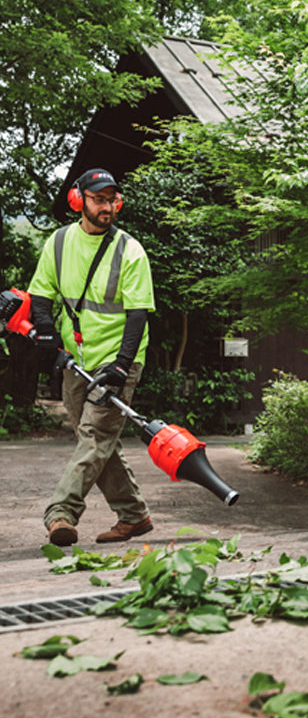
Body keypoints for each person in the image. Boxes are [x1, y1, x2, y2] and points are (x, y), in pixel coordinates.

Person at [28, 168, 156, 546]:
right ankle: (134, 516)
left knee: (94, 434)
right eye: (99, 198)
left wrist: (121, 365)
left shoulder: (129, 249)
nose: (107, 206)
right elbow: (40, 295)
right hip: (76, 360)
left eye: (111, 199)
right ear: (78, 200)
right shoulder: (58, 243)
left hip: (120, 358)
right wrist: (48, 334)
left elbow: (138, 314)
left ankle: (61, 514)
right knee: (98, 443)